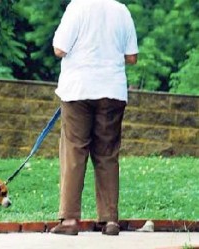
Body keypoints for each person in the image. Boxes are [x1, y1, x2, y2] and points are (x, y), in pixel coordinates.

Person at [50, 0, 138, 236]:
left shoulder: (77, 7)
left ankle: (69, 220)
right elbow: (132, 57)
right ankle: (109, 220)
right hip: (112, 90)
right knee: (107, 153)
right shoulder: (122, 11)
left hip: (78, 90)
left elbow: (59, 49)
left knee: (74, 151)